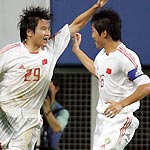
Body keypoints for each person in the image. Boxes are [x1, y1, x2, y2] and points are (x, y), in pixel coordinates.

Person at [0, 0, 108, 149]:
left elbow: (75, 25)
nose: (48, 33)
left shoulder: (51, 49)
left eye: (49, 29)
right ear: (29, 32)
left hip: (29, 120)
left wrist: (96, 7)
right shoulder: (9, 54)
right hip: (4, 114)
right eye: (43, 29)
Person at [72, 9, 150, 150]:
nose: (92, 36)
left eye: (93, 31)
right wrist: (77, 50)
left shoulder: (125, 57)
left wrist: (121, 104)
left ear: (104, 33)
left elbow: (146, 85)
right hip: (103, 120)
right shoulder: (102, 56)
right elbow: (97, 71)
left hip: (121, 119)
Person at [39, 76, 69, 150]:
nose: (46, 92)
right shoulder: (34, 108)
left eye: (49, 89)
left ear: (56, 89)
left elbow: (57, 128)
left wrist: (47, 110)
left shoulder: (61, 112)